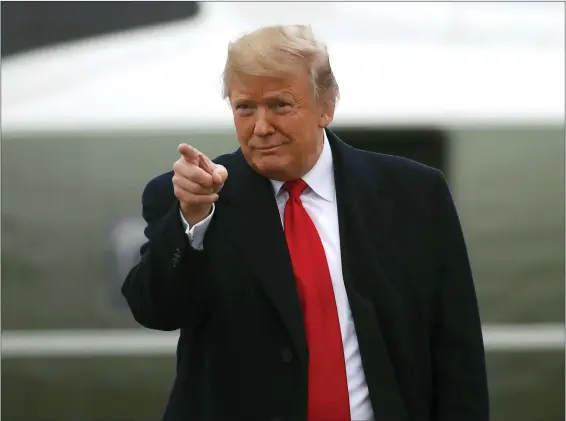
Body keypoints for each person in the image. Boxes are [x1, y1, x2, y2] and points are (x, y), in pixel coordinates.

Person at [122, 24, 489, 421]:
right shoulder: (193, 198)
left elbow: (456, 350)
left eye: (280, 105)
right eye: (245, 108)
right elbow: (155, 311)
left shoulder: (414, 195)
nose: (261, 127)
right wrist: (191, 221)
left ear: (326, 106)